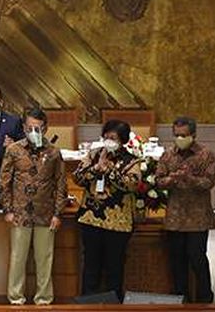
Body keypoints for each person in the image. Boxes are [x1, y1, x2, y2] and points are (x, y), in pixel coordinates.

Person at [72, 119, 144, 302]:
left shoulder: (131, 160)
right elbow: (78, 178)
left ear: (123, 140)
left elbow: (132, 185)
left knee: (114, 267)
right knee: (91, 265)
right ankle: (88, 302)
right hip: (91, 219)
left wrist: (110, 171)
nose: (108, 141)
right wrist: (97, 168)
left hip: (117, 223)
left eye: (113, 138)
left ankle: (113, 304)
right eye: (106, 137)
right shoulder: (94, 154)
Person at [0, 109, 66, 307]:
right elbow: (4, 181)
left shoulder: (54, 152)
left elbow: (60, 184)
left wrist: (57, 213)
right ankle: (15, 297)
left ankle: (44, 299)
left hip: (45, 213)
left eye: (37, 128)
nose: (33, 131)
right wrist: (8, 209)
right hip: (20, 213)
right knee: (18, 257)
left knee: (44, 258)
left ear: (45, 128)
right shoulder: (13, 149)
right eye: (29, 128)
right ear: (23, 128)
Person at [156, 116, 215, 304]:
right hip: (175, 217)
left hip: (198, 218)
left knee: (197, 259)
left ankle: (205, 298)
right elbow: (158, 181)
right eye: (176, 135)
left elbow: (209, 182)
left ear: (193, 134)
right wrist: (172, 179)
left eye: (184, 135)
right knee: (177, 261)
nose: (180, 138)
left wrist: (190, 178)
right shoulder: (168, 155)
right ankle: (181, 298)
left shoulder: (206, 154)